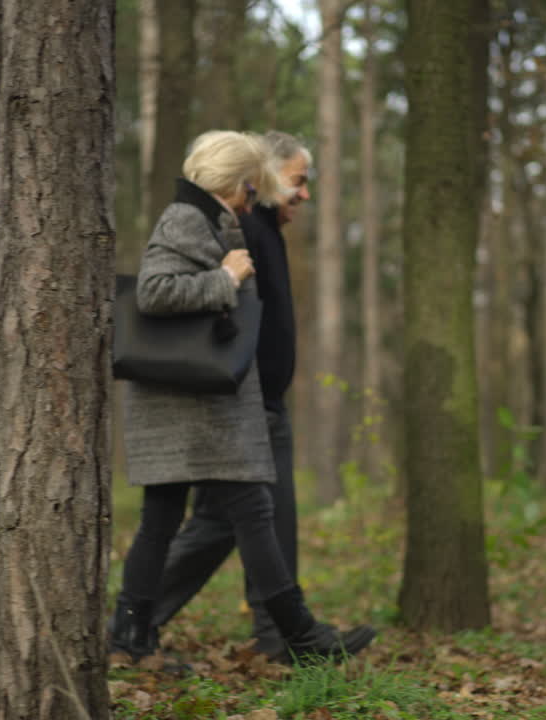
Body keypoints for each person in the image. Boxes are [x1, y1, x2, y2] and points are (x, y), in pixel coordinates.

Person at [110, 130, 375, 665]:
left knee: (169, 519)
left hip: (194, 400)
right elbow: (153, 291)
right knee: (247, 510)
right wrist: (224, 279)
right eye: (250, 188)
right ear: (233, 181)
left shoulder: (210, 217)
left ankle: (130, 638)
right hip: (192, 402)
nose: (254, 200)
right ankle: (295, 634)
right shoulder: (187, 218)